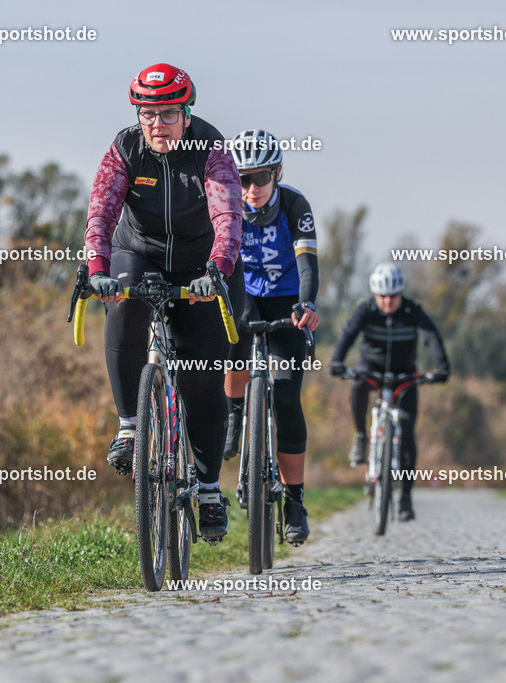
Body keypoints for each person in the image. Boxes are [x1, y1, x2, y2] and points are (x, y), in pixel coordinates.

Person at [83, 63, 243, 540]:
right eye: (148, 114)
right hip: (141, 254)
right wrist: (96, 268)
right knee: (125, 305)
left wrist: (217, 270)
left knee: (201, 382)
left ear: (187, 114)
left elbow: (228, 215)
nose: (157, 124)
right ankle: (131, 426)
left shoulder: (211, 150)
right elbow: (101, 211)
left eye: (168, 114)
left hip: (202, 268)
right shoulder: (125, 149)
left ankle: (210, 489)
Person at [222, 129, 319, 544]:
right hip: (245, 295)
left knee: (285, 396)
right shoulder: (227, 203)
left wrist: (308, 303)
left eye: (260, 177)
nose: (251, 188)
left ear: (277, 173)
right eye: (242, 179)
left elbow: (308, 264)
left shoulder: (295, 205)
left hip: (285, 302)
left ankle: (295, 500)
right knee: (231, 338)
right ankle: (233, 412)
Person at [329, 264, 450, 521]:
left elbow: (431, 338)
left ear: (400, 293)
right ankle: (361, 436)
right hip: (370, 369)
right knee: (358, 383)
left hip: (404, 376)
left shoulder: (412, 311)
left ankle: (405, 497)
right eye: (382, 296)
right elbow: (348, 335)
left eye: (392, 296)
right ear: (374, 294)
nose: (387, 301)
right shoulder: (365, 310)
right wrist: (337, 362)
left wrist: (442, 368)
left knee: (407, 432)